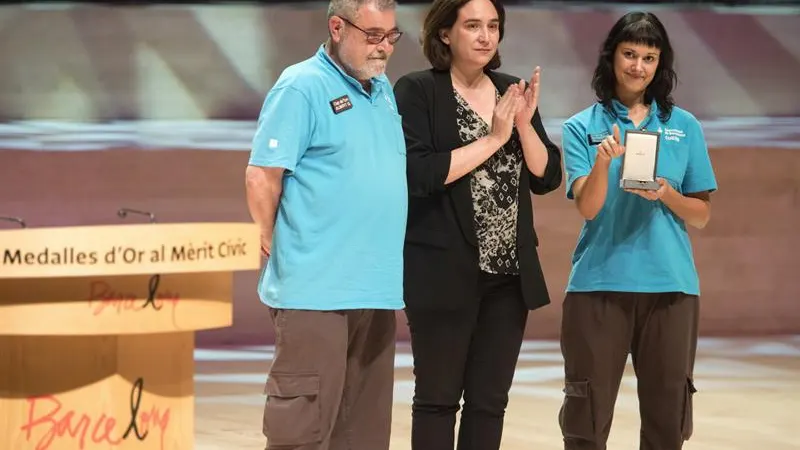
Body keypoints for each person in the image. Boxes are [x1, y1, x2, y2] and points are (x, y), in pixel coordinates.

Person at [393, 0, 562, 448]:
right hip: (442, 273)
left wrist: (524, 126)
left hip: (509, 277)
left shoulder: (512, 90)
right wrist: (493, 140)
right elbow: (420, 174)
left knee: (490, 402)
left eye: (493, 26)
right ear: (445, 34)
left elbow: (547, 177)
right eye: (473, 26)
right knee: (437, 398)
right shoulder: (418, 91)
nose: (486, 36)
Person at [244, 1, 406, 448]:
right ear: (337, 27)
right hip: (316, 294)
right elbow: (263, 174)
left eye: (391, 36)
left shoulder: (382, 88)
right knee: (302, 432)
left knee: (364, 435)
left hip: (375, 292)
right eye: (373, 35)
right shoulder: (301, 85)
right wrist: (271, 238)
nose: (384, 48)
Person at [558, 11, 718, 450]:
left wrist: (666, 193)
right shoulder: (581, 127)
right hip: (598, 286)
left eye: (649, 57)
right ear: (611, 58)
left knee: (668, 424)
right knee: (585, 424)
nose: (638, 66)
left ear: (660, 63)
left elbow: (701, 215)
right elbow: (588, 209)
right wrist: (603, 162)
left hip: (671, 289)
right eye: (630, 54)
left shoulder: (684, 126)